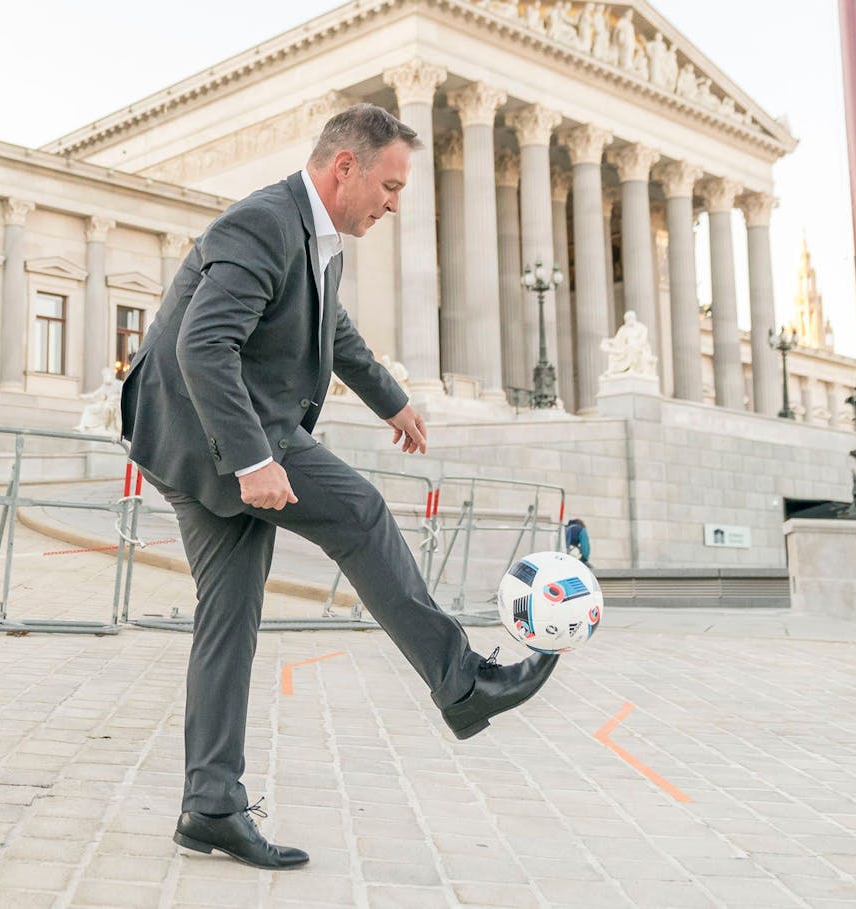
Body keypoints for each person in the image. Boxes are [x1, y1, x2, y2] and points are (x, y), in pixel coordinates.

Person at [118, 103, 559, 870]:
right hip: (211, 431)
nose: (395, 204)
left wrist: (391, 397)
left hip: (221, 430)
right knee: (358, 512)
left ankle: (211, 803)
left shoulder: (318, 238)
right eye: (389, 186)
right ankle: (462, 681)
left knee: (230, 619)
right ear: (343, 167)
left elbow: (334, 331)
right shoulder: (262, 223)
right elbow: (204, 343)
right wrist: (255, 460)